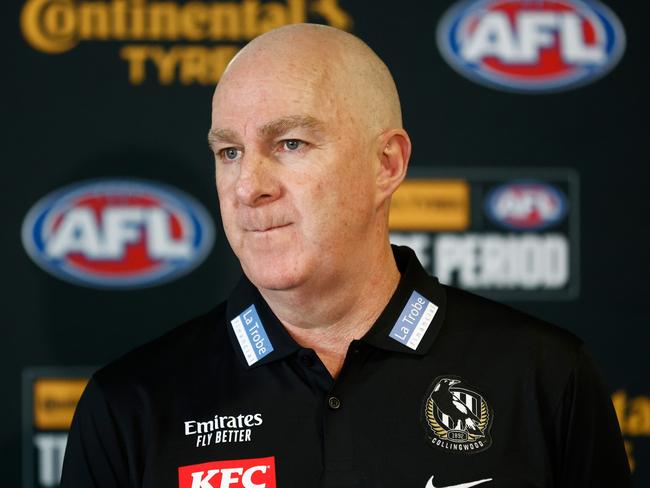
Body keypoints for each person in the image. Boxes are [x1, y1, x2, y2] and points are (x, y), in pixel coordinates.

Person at [61, 24, 630, 488]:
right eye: (229, 151)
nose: (247, 186)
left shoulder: (547, 377)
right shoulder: (128, 406)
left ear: (387, 164)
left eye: (290, 144)